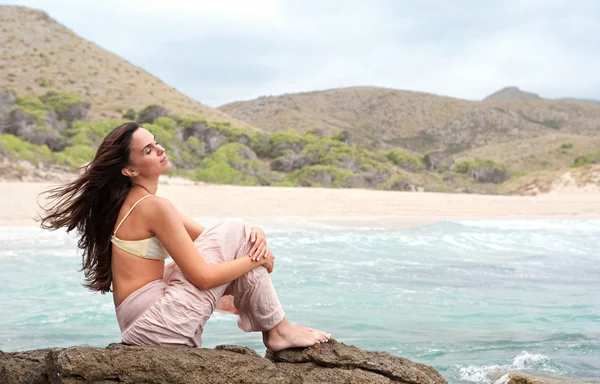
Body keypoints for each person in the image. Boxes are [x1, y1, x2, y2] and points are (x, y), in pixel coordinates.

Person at [39, 122, 330, 351]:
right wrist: (257, 260)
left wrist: (256, 235)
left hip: (145, 323)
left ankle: (279, 330)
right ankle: (279, 331)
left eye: (155, 143)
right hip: (155, 327)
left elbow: (216, 241)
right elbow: (204, 276)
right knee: (238, 228)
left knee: (240, 232)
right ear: (129, 169)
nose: (160, 149)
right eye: (149, 150)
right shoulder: (153, 207)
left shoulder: (138, 203)